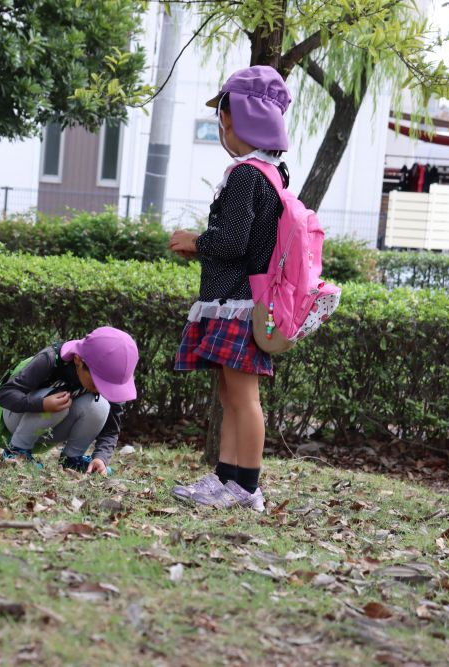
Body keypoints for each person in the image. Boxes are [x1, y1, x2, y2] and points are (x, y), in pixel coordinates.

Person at [167, 65, 292, 512]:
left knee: (243, 396)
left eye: (223, 114)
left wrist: (194, 241)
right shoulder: (274, 173)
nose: (221, 124)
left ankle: (246, 487)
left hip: (238, 302)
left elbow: (234, 241)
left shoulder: (245, 176)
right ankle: (226, 478)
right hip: (241, 301)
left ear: (239, 117)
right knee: (231, 395)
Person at [0, 326, 138, 475]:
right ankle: (16, 451)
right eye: (97, 383)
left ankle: (72, 460)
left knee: (100, 405)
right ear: (78, 360)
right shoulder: (50, 359)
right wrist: (42, 404)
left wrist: (101, 457)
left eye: (107, 387)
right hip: (17, 417)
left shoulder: (111, 379)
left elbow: (111, 429)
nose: (101, 390)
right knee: (61, 402)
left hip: (53, 426)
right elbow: (5, 394)